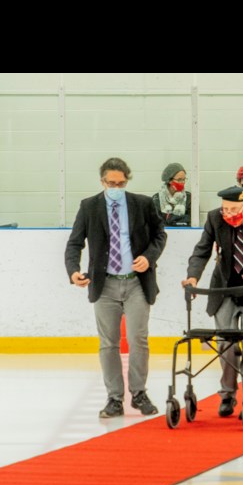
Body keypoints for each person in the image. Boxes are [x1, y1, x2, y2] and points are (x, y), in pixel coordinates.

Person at [65, 157, 167, 419]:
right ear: (102, 181)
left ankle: (139, 393)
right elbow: (74, 243)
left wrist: (149, 257)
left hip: (136, 283)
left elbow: (160, 234)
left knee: (138, 340)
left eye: (121, 183)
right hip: (105, 284)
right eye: (111, 183)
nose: (116, 187)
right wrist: (74, 271)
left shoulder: (142, 204)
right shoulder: (89, 207)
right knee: (108, 343)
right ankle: (114, 398)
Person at [182, 186, 243, 417]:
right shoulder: (215, 218)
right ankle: (227, 394)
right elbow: (202, 250)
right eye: (225, 209)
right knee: (226, 345)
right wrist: (192, 276)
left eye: (234, 209)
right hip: (225, 289)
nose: (229, 213)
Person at [152, 162, 191, 227]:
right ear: (169, 180)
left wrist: (168, 218)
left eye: (184, 179)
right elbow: (158, 223)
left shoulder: (189, 198)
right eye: (179, 180)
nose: (183, 182)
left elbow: (189, 220)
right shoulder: (156, 199)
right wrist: (179, 219)